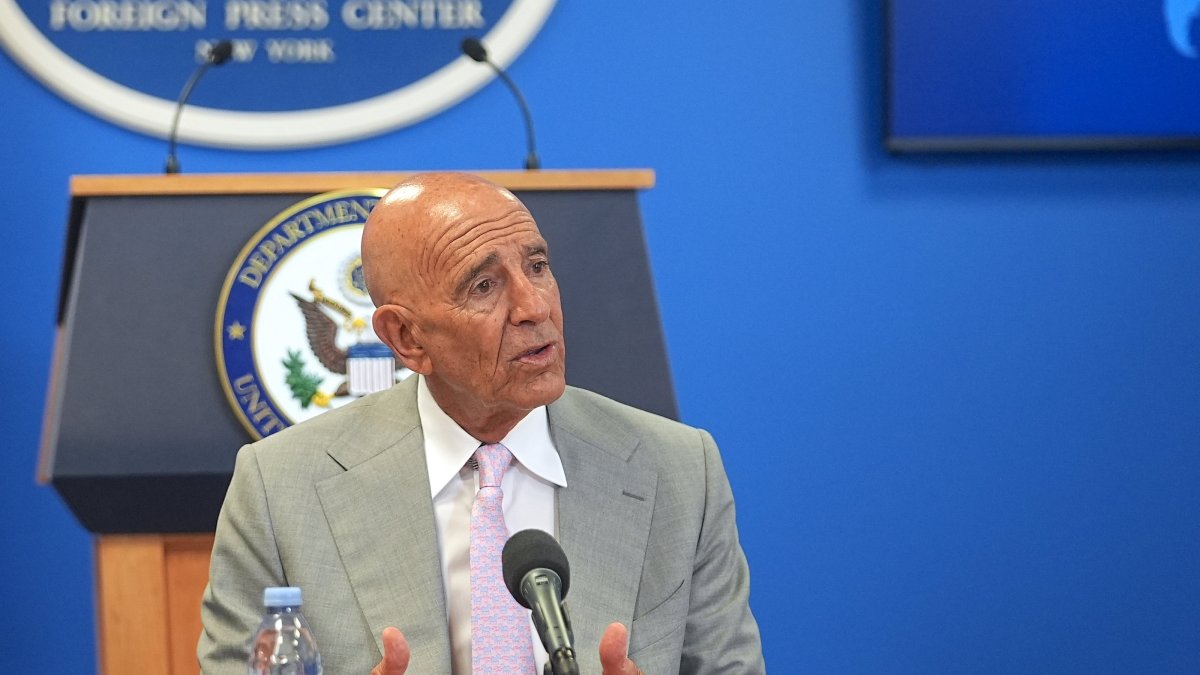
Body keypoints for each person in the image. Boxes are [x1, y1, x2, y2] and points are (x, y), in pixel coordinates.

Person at [198, 173, 764, 674]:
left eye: (537, 267)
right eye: (484, 286)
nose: (534, 307)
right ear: (406, 339)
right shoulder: (279, 487)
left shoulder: (679, 470)